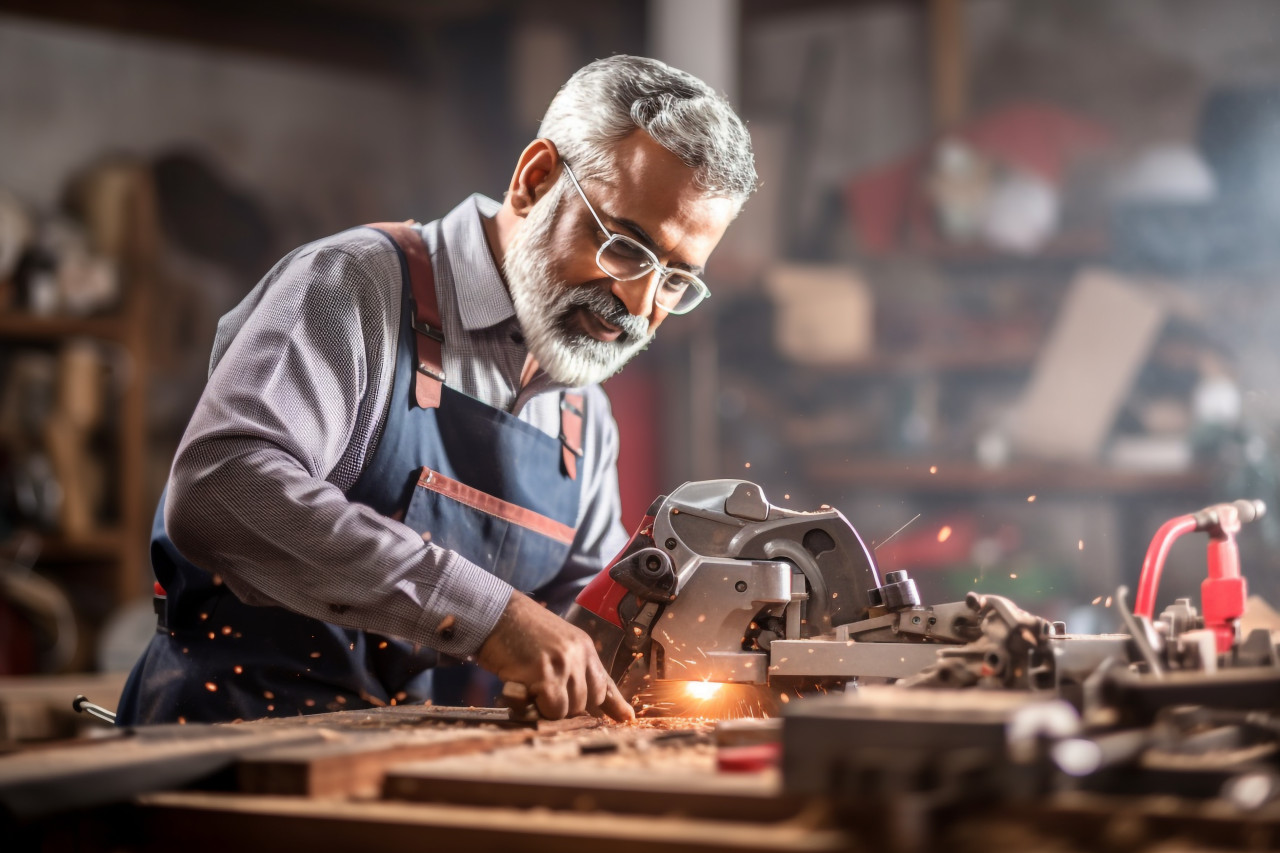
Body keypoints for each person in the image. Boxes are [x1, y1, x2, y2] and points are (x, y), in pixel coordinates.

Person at [116, 55, 757, 725]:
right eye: (625, 247)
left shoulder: (582, 409)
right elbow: (221, 488)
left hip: (403, 760)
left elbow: (584, 617)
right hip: (231, 745)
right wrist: (489, 613)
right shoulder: (354, 286)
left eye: (677, 281)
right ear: (535, 181)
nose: (641, 302)